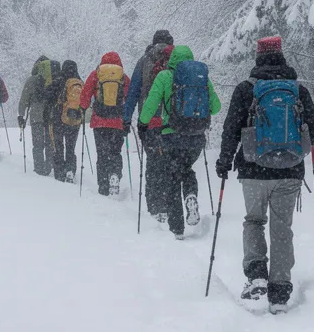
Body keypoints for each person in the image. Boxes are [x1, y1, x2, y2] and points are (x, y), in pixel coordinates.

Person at [215, 36, 314, 314]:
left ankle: (256, 276)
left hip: (253, 169)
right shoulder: (298, 91)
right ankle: (279, 291)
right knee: (281, 228)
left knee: (254, 221)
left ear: (257, 57)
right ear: (281, 55)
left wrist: (224, 160)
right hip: (289, 171)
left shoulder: (245, 90)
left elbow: (230, 128)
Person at [138, 44, 221, 240]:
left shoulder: (165, 76)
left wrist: (142, 123)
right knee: (187, 169)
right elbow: (216, 107)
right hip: (196, 139)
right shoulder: (201, 78)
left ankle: (177, 229)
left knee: (172, 178)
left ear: (172, 59)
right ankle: (191, 195)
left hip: (171, 136)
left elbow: (151, 104)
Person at [123, 30, 176, 222]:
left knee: (154, 163)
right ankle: (169, 204)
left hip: (149, 122)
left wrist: (127, 118)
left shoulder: (144, 61)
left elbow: (133, 92)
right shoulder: (176, 61)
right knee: (170, 163)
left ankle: (154, 206)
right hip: (173, 123)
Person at [80, 52, 130, 195]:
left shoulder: (96, 74)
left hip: (99, 122)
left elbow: (85, 95)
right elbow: (130, 96)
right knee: (115, 152)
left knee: (102, 155)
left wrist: (83, 108)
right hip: (118, 122)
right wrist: (127, 118)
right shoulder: (123, 77)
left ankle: (103, 187)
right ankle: (115, 174)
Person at [17, 56, 55, 176]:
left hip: (36, 116)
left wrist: (21, 115)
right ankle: (48, 166)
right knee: (50, 142)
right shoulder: (53, 79)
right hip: (51, 115)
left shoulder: (31, 80)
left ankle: (39, 169)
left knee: (37, 143)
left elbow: (24, 100)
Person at [47, 60, 83, 182]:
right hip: (74, 121)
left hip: (59, 119)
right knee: (70, 147)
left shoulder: (58, 81)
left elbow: (48, 96)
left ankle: (59, 173)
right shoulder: (79, 83)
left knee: (59, 146)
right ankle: (70, 170)